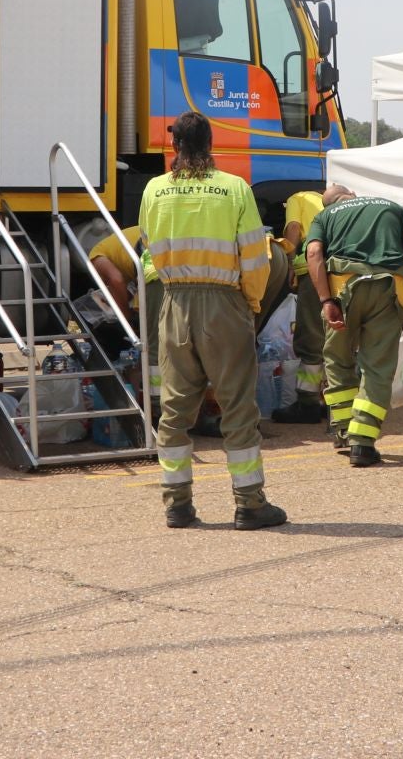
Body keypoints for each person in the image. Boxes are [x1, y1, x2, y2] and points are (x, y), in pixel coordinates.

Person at [140, 111, 288, 530]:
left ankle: (178, 505)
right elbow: (255, 257)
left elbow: (148, 251)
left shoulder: (154, 191)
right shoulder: (234, 189)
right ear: (210, 144)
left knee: (174, 411)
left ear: (175, 147)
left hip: (174, 304)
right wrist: (252, 303)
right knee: (238, 407)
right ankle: (250, 504)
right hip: (224, 303)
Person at [303, 187, 403, 467]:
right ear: (353, 194)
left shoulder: (324, 217)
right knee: (377, 366)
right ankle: (362, 442)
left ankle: (344, 431)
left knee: (337, 360)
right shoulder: (391, 206)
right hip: (387, 290)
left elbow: (313, 253)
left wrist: (325, 300)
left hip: (342, 293)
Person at [271, 188, 330, 423]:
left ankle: (307, 403)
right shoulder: (329, 203)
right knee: (337, 337)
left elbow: (293, 229)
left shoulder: (297, 198)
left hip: (313, 271)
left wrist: (287, 262)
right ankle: (339, 400)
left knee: (310, 337)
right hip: (341, 272)